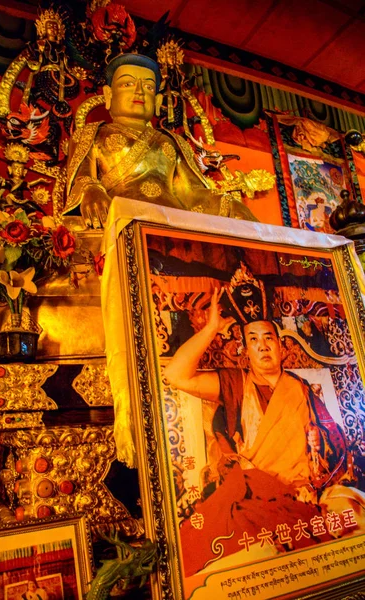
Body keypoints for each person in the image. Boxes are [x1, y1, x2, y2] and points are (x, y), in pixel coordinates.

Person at [164, 270, 362, 576]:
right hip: (254, 497)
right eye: (253, 339)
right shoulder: (235, 384)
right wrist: (212, 329)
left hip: (305, 494)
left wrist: (314, 479)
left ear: (282, 346)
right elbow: (175, 375)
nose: (262, 346)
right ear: (244, 348)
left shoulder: (300, 389)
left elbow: (334, 446)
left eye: (268, 338)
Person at [63, 53, 257, 228]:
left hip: (173, 221)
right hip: (121, 218)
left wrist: (228, 204)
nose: (139, 91)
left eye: (148, 87)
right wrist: (90, 191)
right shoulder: (91, 134)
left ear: (156, 102)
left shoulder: (173, 142)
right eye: (127, 84)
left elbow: (191, 193)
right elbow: (82, 179)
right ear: (108, 94)